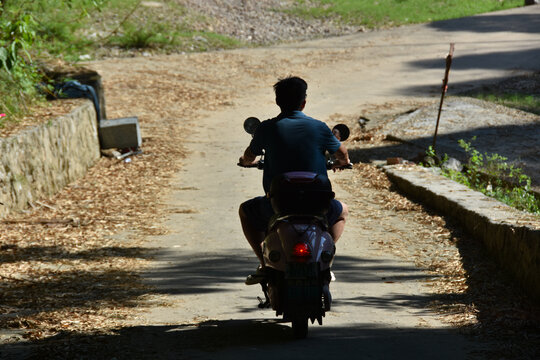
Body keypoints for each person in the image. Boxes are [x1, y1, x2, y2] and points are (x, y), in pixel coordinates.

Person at [238, 76, 350, 284]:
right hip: (317, 206)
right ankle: (322, 259)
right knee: (342, 211)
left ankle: (264, 263)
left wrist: (245, 162)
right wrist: (340, 163)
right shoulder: (320, 127)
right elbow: (343, 154)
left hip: (278, 206)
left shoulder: (266, 128)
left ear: (278, 102)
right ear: (304, 102)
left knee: (246, 212)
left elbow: (249, 156)